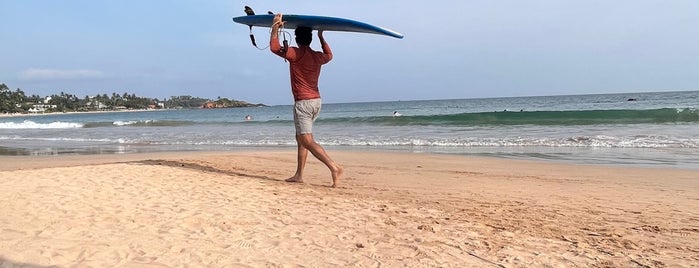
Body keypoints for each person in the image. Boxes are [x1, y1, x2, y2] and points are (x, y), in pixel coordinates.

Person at [270, 13, 343, 187]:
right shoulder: (317, 56)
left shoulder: (295, 53)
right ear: (310, 39)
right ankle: (299, 175)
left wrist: (275, 27)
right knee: (301, 138)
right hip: (316, 102)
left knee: (307, 140)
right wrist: (321, 37)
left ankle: (334, 167)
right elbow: (329, 55)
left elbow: (274, 47)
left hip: (303, 103)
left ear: (296, 38)